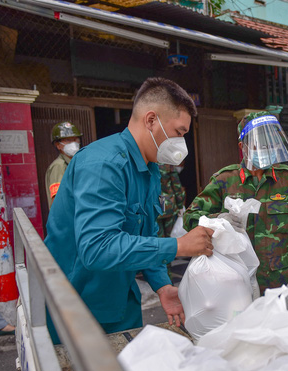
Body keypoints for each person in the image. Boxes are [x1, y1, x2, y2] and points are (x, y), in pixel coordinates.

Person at [45, 77, 214, 341]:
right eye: (179, 132)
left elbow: (144, 234)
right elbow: (97, 248)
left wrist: (161, 285)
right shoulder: (103, 165)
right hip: (79, 310)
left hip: (122, 299)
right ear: (151, 120)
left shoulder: (150, 169)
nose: (182, 143)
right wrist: (178, 246)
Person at [183, 112, 288, 293]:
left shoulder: (287, 179)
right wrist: (217, 219)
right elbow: (190, 217)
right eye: (260, 145)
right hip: (236, 281)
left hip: (279, 283)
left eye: (270, 144)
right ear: (243, 147)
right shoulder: (225, 180)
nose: (267, 150)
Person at [45, 121, 82, 208]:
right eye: (68, 140)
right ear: (58, 145)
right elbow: (58, 199)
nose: (73, 143)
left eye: (75, 139)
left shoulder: (72, 163)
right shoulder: (59, 166)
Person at [157, 164, 186, 238]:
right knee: (171, 235)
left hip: (155, 204)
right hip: (168, 204)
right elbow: (177, 186)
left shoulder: (149, 163)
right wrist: (180, 206)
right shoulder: (168, 164)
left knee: (159, 237)